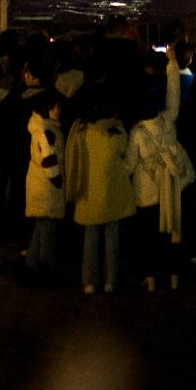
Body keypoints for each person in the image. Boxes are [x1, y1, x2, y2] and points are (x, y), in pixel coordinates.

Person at [128, 52, 196, 291]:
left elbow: (128, 164)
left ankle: (150, 280)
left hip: (146, 193)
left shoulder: (137, 132)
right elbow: (174, 96)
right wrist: (172, 63)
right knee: (172, 235)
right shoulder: (169, 121)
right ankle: (174, 278)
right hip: (171, 189)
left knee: (148, 239)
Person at [65, 98, 135, 294]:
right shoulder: (118, 132)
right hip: (113, 191)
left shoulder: (83, 132)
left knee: (90, 237)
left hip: (88, 191)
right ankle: (110, 281)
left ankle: (89, 281)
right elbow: (123, 151)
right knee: (112, 236)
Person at [25, 88, 70, 277]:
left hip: (39, 183)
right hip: (47, 186)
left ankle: (32, 266)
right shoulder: (46, 131)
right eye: (54, 107)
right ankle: (46, 269)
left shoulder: (43, 127)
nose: (58, 110)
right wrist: (58, 180)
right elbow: (49, 159)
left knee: (41, 227)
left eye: (59, 107)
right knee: (47, 229)